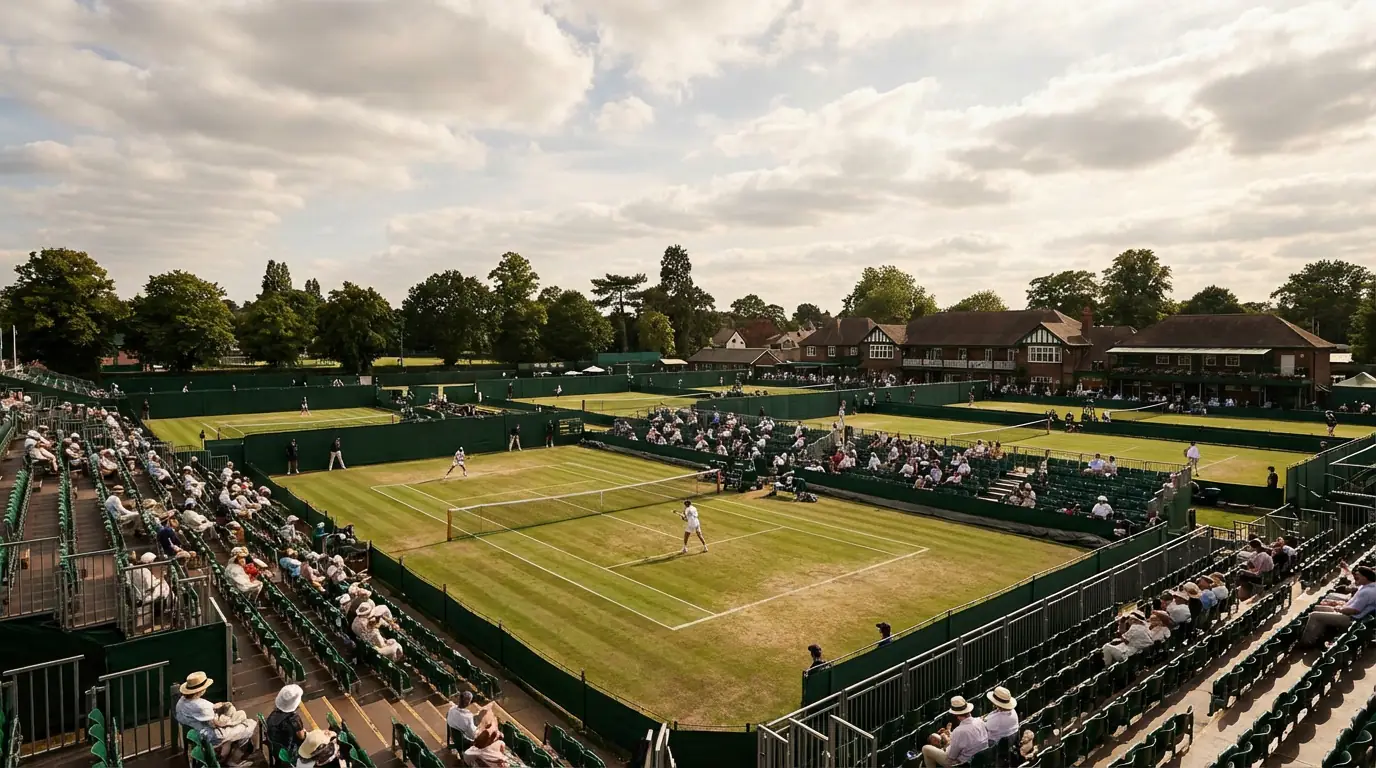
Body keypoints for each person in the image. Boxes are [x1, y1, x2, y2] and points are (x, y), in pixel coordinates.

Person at [174, 672, 257, 768]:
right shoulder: (202, 706)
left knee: (238, 714)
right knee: (250, 725)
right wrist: (229, 721)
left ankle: (227, 751)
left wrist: (214, 707)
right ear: (200, 691)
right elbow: (217, 724)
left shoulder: (181, 701)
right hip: (211, 735)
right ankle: (233, 761)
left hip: (196, 729)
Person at [1301, 566, 1376, 646]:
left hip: (1351, 619)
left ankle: (1306, 642)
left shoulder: (1367, 592)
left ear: (1365, 577)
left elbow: (1354, 610)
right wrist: (1338, 604)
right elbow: (1353, 603)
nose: (1356, 578)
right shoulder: (1367, 586)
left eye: (1358, 576)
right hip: (1350, 614)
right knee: (1317, 608)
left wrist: (1339, 609)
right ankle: (1319, 637)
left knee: (1314, 615)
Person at [921, 696, 989, 768]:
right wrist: (950, 736)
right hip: (981, 758)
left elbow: (951, 757)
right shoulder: (979, 721)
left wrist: (946, 746)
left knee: (926, 748)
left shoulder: (959, 731)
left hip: (961, 764)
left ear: (956, 714)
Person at [265, 684, 307, 757]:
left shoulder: (275, 712)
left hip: (274, 743)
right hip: (286, 749)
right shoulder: (294, 719)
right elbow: (302, 737)